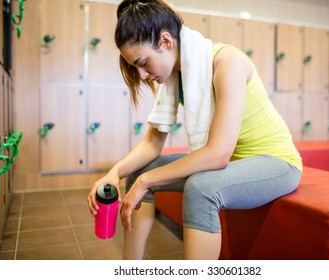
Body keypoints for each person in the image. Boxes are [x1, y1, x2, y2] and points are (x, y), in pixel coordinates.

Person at [87, 0, 302, 260]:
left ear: (166, 42)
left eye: (143, 63)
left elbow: (218, 154)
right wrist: (114, 173)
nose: (142, 75)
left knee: (200, 187)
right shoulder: (176, 76)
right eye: (135, 67)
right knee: (140, 171)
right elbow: (152, 144)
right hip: (234, 162)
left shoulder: (227, 62)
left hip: (276, 163)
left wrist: (147, 181)